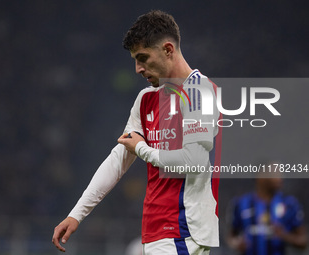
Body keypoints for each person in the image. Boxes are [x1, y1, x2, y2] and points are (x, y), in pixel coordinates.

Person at [52, 10, 222, 254]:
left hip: (183, 230)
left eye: (143, 58)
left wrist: (142, 148)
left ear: (168, 49)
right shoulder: (146, 99)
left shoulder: (199, 91)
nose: (138, 69)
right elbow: (118, 159)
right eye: (135, 59)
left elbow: (193, 161)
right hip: (155, 231)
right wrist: (76, 215)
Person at [227, 164, 307, 255]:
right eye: (275, 174)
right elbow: (231, 237)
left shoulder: (289, 204)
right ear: (261, 177)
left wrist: (284, 236)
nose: (280, 178)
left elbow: (303, 241)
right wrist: (236, 244)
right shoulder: (241, 203)